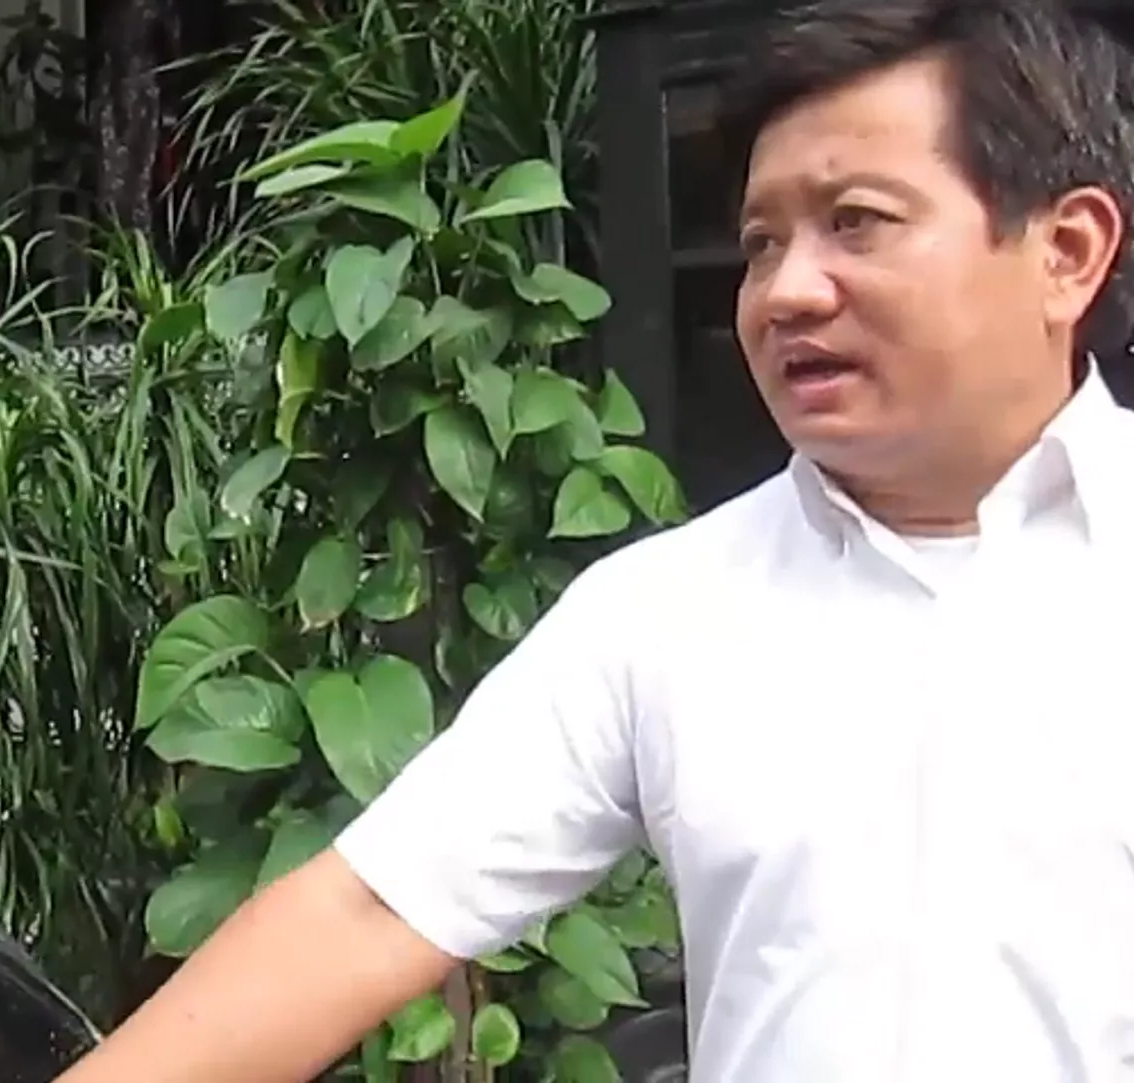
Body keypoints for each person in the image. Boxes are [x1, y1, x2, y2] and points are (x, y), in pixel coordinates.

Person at [59, 1, 1134, 1081]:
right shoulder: (672, 611)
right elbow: (365, 915)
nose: (786, 291)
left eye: (857, 221)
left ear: (1067, 253)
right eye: (762, 244)